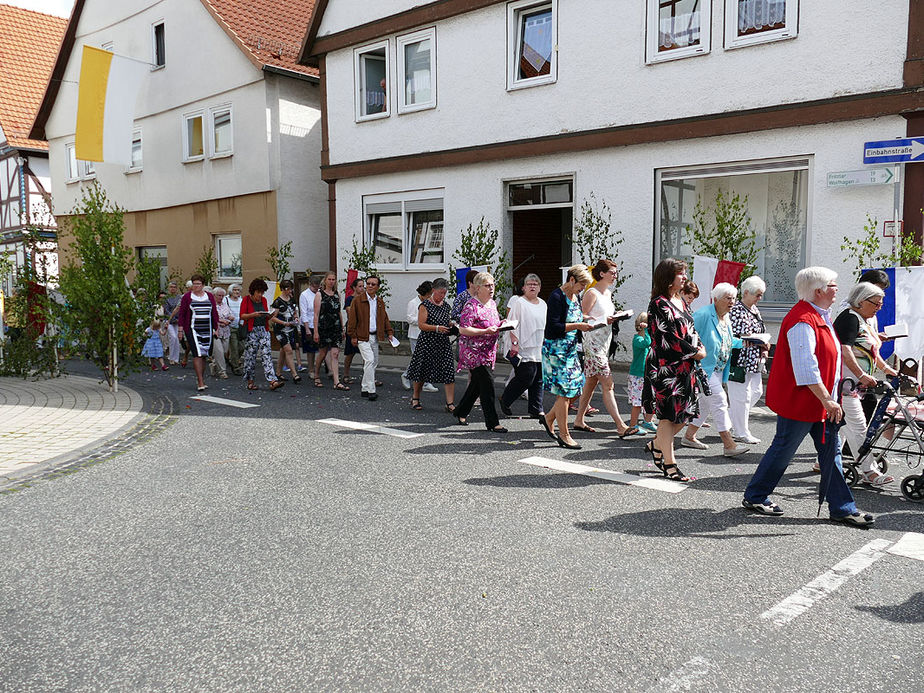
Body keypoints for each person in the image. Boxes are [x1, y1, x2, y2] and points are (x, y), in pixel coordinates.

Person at [742, 267, 875, 527]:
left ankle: (842, 507)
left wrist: (830, 397)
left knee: (831, 452)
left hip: (820, 401)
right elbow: (806, 367)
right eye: (834, 285)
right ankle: (756, 495)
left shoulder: (818, 316)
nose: (838, 289)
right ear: (820, 290)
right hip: (804, 401)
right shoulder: (803, 320)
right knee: (784, 450)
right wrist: (827, 399)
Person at [641, 258, 706, 483]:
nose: (685, 277)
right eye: (681, 273)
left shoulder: (681, 300)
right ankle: (670, 465)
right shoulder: (658, 303)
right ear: (668, 278)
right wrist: (694, 352)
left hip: (686, 367)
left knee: (686, 413)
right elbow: (668, 337)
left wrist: (700, 347)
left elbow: (691, 329)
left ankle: (658, 444)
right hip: (665, 368)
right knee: (668, 417)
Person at [834, 281, 898, 486]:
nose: (879, 307)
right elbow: (845, 351)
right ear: (861, 301)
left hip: (856, 383)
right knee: (859, 426)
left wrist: (887, 369)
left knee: (844, 427)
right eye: (876, 304)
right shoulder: (850, 319)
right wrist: (861, 375)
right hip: (846, 383)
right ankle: (869, 471)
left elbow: (870, 350)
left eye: (881, 304)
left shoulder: (864, 320)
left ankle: (823, 460)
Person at [681, 283, 750, 457]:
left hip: (718, 369)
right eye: (728, 298)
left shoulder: (725, 318)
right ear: (716, 299)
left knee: (705, 404)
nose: (732, 302)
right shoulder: (704, 315)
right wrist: (693, 354)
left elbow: (727, 341)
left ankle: (689, 436)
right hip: (703, 368)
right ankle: (729, 444)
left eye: (734, 298)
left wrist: (746, 342)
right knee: (719, 400)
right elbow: (685, 335)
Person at [573, 259, 638, 437]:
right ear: (601, 273)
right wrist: (602, 320)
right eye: (612, 272)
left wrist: (615, 317)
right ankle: (620, 425)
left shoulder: (607, 294)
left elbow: (603, 315)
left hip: (604, 341)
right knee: (608, 383)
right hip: (592, 341)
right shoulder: (591, 293)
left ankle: (579, 419)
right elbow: (582, 317)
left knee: (591, 381)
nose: (615, 275)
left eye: (616, 273)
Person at [541, 265, 594, 449]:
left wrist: (595, 319)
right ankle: (564, 435)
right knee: (564, 393)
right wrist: (578, 325)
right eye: (581, 285)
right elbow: (554, 326)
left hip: (571, 350)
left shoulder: (576, 296)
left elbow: (575, 317)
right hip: (556, 350)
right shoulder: (556, 297)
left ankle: (548, 418)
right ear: (571, 280)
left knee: (577, 388)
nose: (583, 289)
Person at [453, 272, 505, 431]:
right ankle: (493, 422)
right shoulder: (471, 306)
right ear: (477, 288)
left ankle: (461, 411)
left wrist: (503, 324)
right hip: (474, 352)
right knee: (488, 386)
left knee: (476, 385)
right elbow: (463, 329)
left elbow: (493, 324)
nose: (491, 288)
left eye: (493, 285)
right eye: (487, 285)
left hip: (488, 351)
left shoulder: (492, 304)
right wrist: (485, 332)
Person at [727, 275, 768, 445]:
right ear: (745, 292)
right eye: (757, 295)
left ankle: (729, 420)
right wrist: (755, 339)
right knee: (741, 397)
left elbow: (760, 327)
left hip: (754, 359)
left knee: (756, 392)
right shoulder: (736, 309)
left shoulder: (753, 309)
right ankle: (741, 431)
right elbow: (733, 334)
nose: (759, 298)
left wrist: (764, 343)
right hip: (740, 360)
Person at [499, 273, 546, 418]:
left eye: (535, 284)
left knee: (538, 377)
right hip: (522, 345)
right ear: (524, 287)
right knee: (526, 376)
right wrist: (514, 343)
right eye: (529, 284)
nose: (532, 286)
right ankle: (506, 400)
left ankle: (535, 408)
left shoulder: (543, 304)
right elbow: (512, 324)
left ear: (539, 288)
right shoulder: (519, 302)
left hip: (538, 345)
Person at [405, 277, 456, 411]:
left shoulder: (446, 306)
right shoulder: (425, 305)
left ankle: (450, 403)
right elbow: (422, 325)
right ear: (433, 290)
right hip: (427, 342)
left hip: (443, 342)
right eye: (440, 293)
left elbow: (446, 321)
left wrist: (451, 325)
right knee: (421, 371)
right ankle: (415, 398)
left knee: (448, 371)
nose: (442, 296)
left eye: (444, 293)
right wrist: (437, 328)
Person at [346, 275, 394, 401]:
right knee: (369, 360)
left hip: (374, 336)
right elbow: (352, 319)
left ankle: (364, 388)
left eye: (373, 284)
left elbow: (384, 318)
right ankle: (371, 391)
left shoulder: (379, 302)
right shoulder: (357, 300)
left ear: (378, 287)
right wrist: (353, 335)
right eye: (368, 283)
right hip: (362, 336)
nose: (370, 286)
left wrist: (389, 332)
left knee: (374, 362)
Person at [176, 274, 219, 392]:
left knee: (204, 354)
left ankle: (201, 378)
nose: (196, 286)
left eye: (198, 284)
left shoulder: (209, 296)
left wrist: (216, 328)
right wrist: (180, 330)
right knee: (197, 353)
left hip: (207, 329)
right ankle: (200, 381)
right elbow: (182, 314)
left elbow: (214, 313)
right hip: (192, 329)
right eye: (194, 284)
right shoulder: (187, 297)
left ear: (203, 285)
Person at [241, 278, 285, 391]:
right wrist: (253, 315)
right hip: (252, 330)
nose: (260, 295)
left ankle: (272, 381)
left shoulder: (264, 300)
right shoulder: (246, 300)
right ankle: (250, 382)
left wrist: (271, 315)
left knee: (267, 354)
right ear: (253, 291)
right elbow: (242, 316)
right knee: (250, 357)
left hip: (263, 330)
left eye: (262, 292)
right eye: (258, 292)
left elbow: (266, 315)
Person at [313, 271, 348, 390]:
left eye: (333, 279)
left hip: (336, 326)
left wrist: (342, 328)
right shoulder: (320, 294)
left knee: (335, 353)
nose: (331, 282)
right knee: (322, 353)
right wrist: (316, 331)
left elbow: (339, 312)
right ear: (325, 280)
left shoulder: (337, 294)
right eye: (330, 279)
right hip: (324, 326)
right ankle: (316, 373)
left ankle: (336, 381)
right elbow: (316, 314)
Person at [403, 281, 438, 393]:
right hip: (415, 335)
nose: (431, 296)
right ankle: (407, 375)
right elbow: (409, 318)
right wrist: (421, 320)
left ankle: (425, 382)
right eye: (429, 293)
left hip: (428, 334)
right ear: (424, 292)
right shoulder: (413, 303)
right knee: (418, 359)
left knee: (427, 358)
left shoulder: (430, 302)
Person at [627, 312, 656, 432]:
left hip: (647, 374)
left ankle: (648, 421)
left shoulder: (648, 338)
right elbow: (646, 343)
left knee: (650, 399)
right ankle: (633, 425)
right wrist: (648, 331)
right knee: (637, 402)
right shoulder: (638, 339)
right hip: (638, 375)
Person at [271, 279, 301, 384]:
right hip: (280, 330)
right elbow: (272, 318)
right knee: (288, 350)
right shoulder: (277, 302)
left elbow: (295, 313)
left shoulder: (292, 300)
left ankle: (278, 372)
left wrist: (296, 318)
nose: (290, 291)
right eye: (288, 289)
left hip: (291, 328)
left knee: (283, 351)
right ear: (283, 289)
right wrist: (284, 323)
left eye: (290, 288)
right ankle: (295, 374)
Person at [299, 274, 322, 376]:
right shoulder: (304, 295)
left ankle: (324, 368)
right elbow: (303, 313)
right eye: (314, 286)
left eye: (318, 286)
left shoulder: (320, 293)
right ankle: (311, 369)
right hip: (308, 324)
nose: (316, 288)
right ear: (310, 284)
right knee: (310, 349)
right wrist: (307, 329)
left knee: (323, 348)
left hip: (319, 324)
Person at [342, 277, 364, 383]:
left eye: (363, 286)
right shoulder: (350, 299)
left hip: (363, 328)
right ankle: (346, 374)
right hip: (353, 328)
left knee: (367, 354)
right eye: (360, 286)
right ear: (354, 288)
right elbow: (350, 313)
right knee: (350, 353)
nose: (362, 288)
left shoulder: (366, 298)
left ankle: (368, 377)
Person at [210, 286, 232, 379]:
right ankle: (222, 371)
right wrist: (222, 321)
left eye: (222, 295)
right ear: (214, 295)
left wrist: (230, 318)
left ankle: (214, 364)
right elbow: (211, 317)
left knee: (224, 351)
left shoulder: (224, 304)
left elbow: (230, 314)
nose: (221, 297)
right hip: (216, 331)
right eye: (219, 295)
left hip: (226, 331)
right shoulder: (211, 305)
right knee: (219, 351)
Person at [223, 284, 244, 376]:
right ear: (231, 291)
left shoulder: (241, 300)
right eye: (235, 290)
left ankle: (233, 360)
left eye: (238, 290)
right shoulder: (226, 299)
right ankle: (236, 367)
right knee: (234, 347)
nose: (237, 292)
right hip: (230, 326)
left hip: (240, 326)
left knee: (242, 347)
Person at [163, 281, 182, 365]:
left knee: (177, 339)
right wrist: (173, 319)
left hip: (178, 321)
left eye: (174, 287)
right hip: (169, 320)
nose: (173, 288)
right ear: (168, 288)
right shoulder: (166, 298)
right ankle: (171, 357)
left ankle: (176, 358)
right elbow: (166, 310)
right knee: (173, 337)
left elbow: (180, 309)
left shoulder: (179, 297)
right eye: (171, 287)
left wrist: (179, 319)